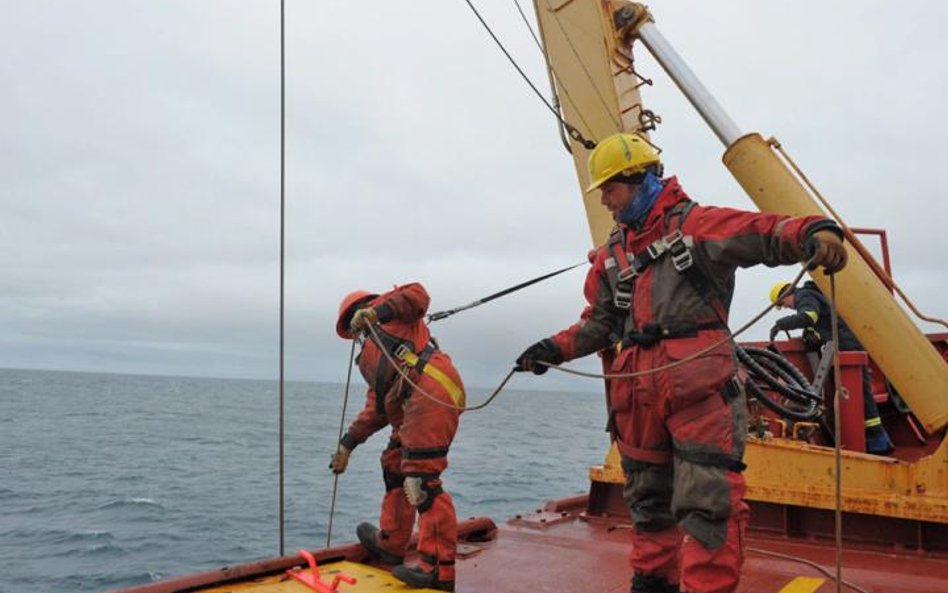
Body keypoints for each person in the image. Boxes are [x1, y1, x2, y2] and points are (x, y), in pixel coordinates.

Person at [514, 132, 848, 593]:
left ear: (638, 180)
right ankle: (653, 583)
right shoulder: (613, 254)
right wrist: (552, 349)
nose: (606, 201)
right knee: (648, 503)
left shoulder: (698, 227)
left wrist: (812, 232)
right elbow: (600, 322)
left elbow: (761, 233)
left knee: (709, 507)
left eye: (610, 189)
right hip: (637, 398)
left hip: (698, 393)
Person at [331, 283, 465, 592]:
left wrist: (376, 312)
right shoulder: (369, 357)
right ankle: (391, 543)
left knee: (422, 482)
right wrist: (346, 445)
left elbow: (418, 295)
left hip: (431, 392)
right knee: (394, 463)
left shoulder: (397, 314)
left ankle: (438, 570)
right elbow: (378, 408)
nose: (356, 330)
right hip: (412, 405)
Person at [769, 280, 895, 454]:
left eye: (783, 304)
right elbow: (821, 324)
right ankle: (877, 441)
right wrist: (810, 336)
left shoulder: (804, 296)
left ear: (785, 295)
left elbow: (809, 317)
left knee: (859, 394)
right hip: (844, 347)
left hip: (845, 349)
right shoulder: (812, 296)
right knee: (859, 394)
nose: (787, 308)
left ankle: (878, 442)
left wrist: (781, 324)